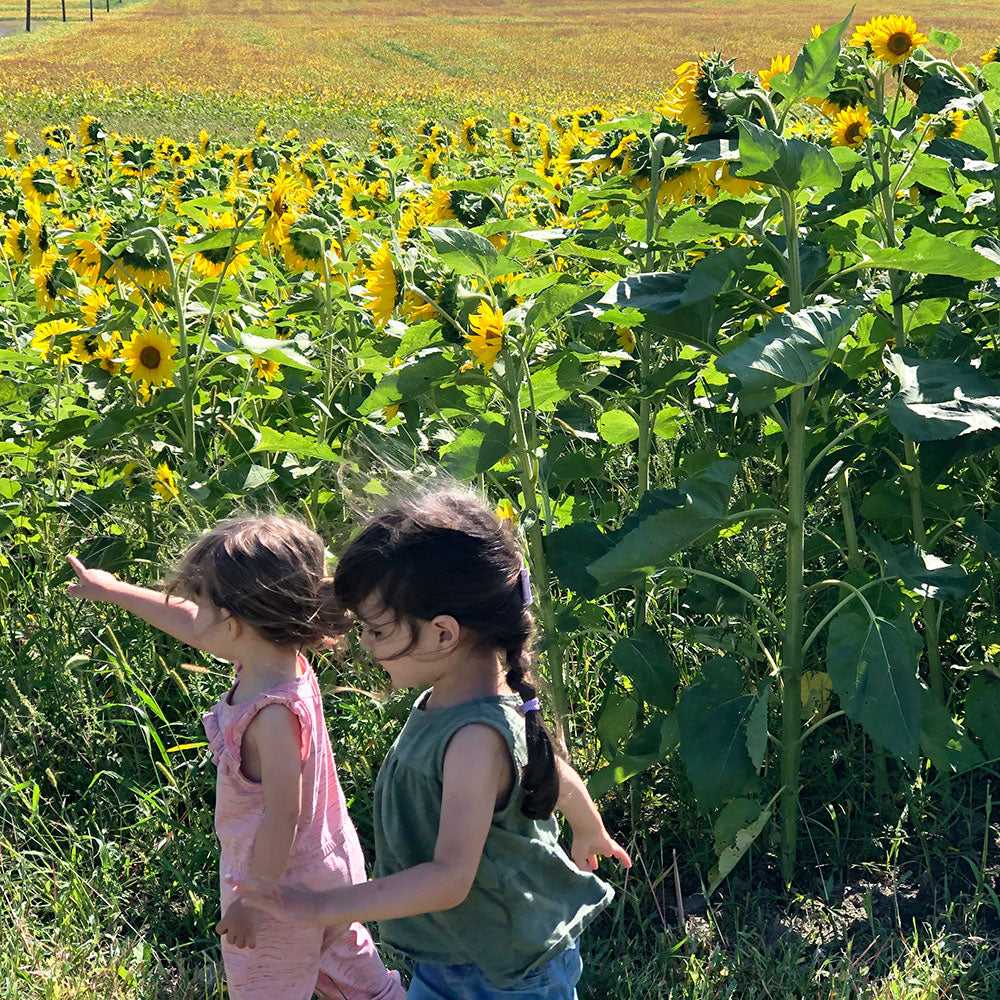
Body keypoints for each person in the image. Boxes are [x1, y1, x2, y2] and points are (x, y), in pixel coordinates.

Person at [232, 490, 631, 999]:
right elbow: (547, 763)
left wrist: (321, 908)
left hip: (504, 972)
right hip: (459, 952)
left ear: (443, 634)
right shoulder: (462, 702)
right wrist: (589, 828)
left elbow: (449, 879)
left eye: (376, 630)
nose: (367, 645)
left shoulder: (472, 739)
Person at [66, 516, 405, 1000]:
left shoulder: (268, 715)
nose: (191, 610)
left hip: (278, 887)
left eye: (200, 599)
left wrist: (254, 901)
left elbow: (283, 814)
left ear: (234, 623)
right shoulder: (280, 661)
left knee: (267, 985)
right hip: (329, 870)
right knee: (353, 977)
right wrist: (113, 589)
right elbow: (194, 625)